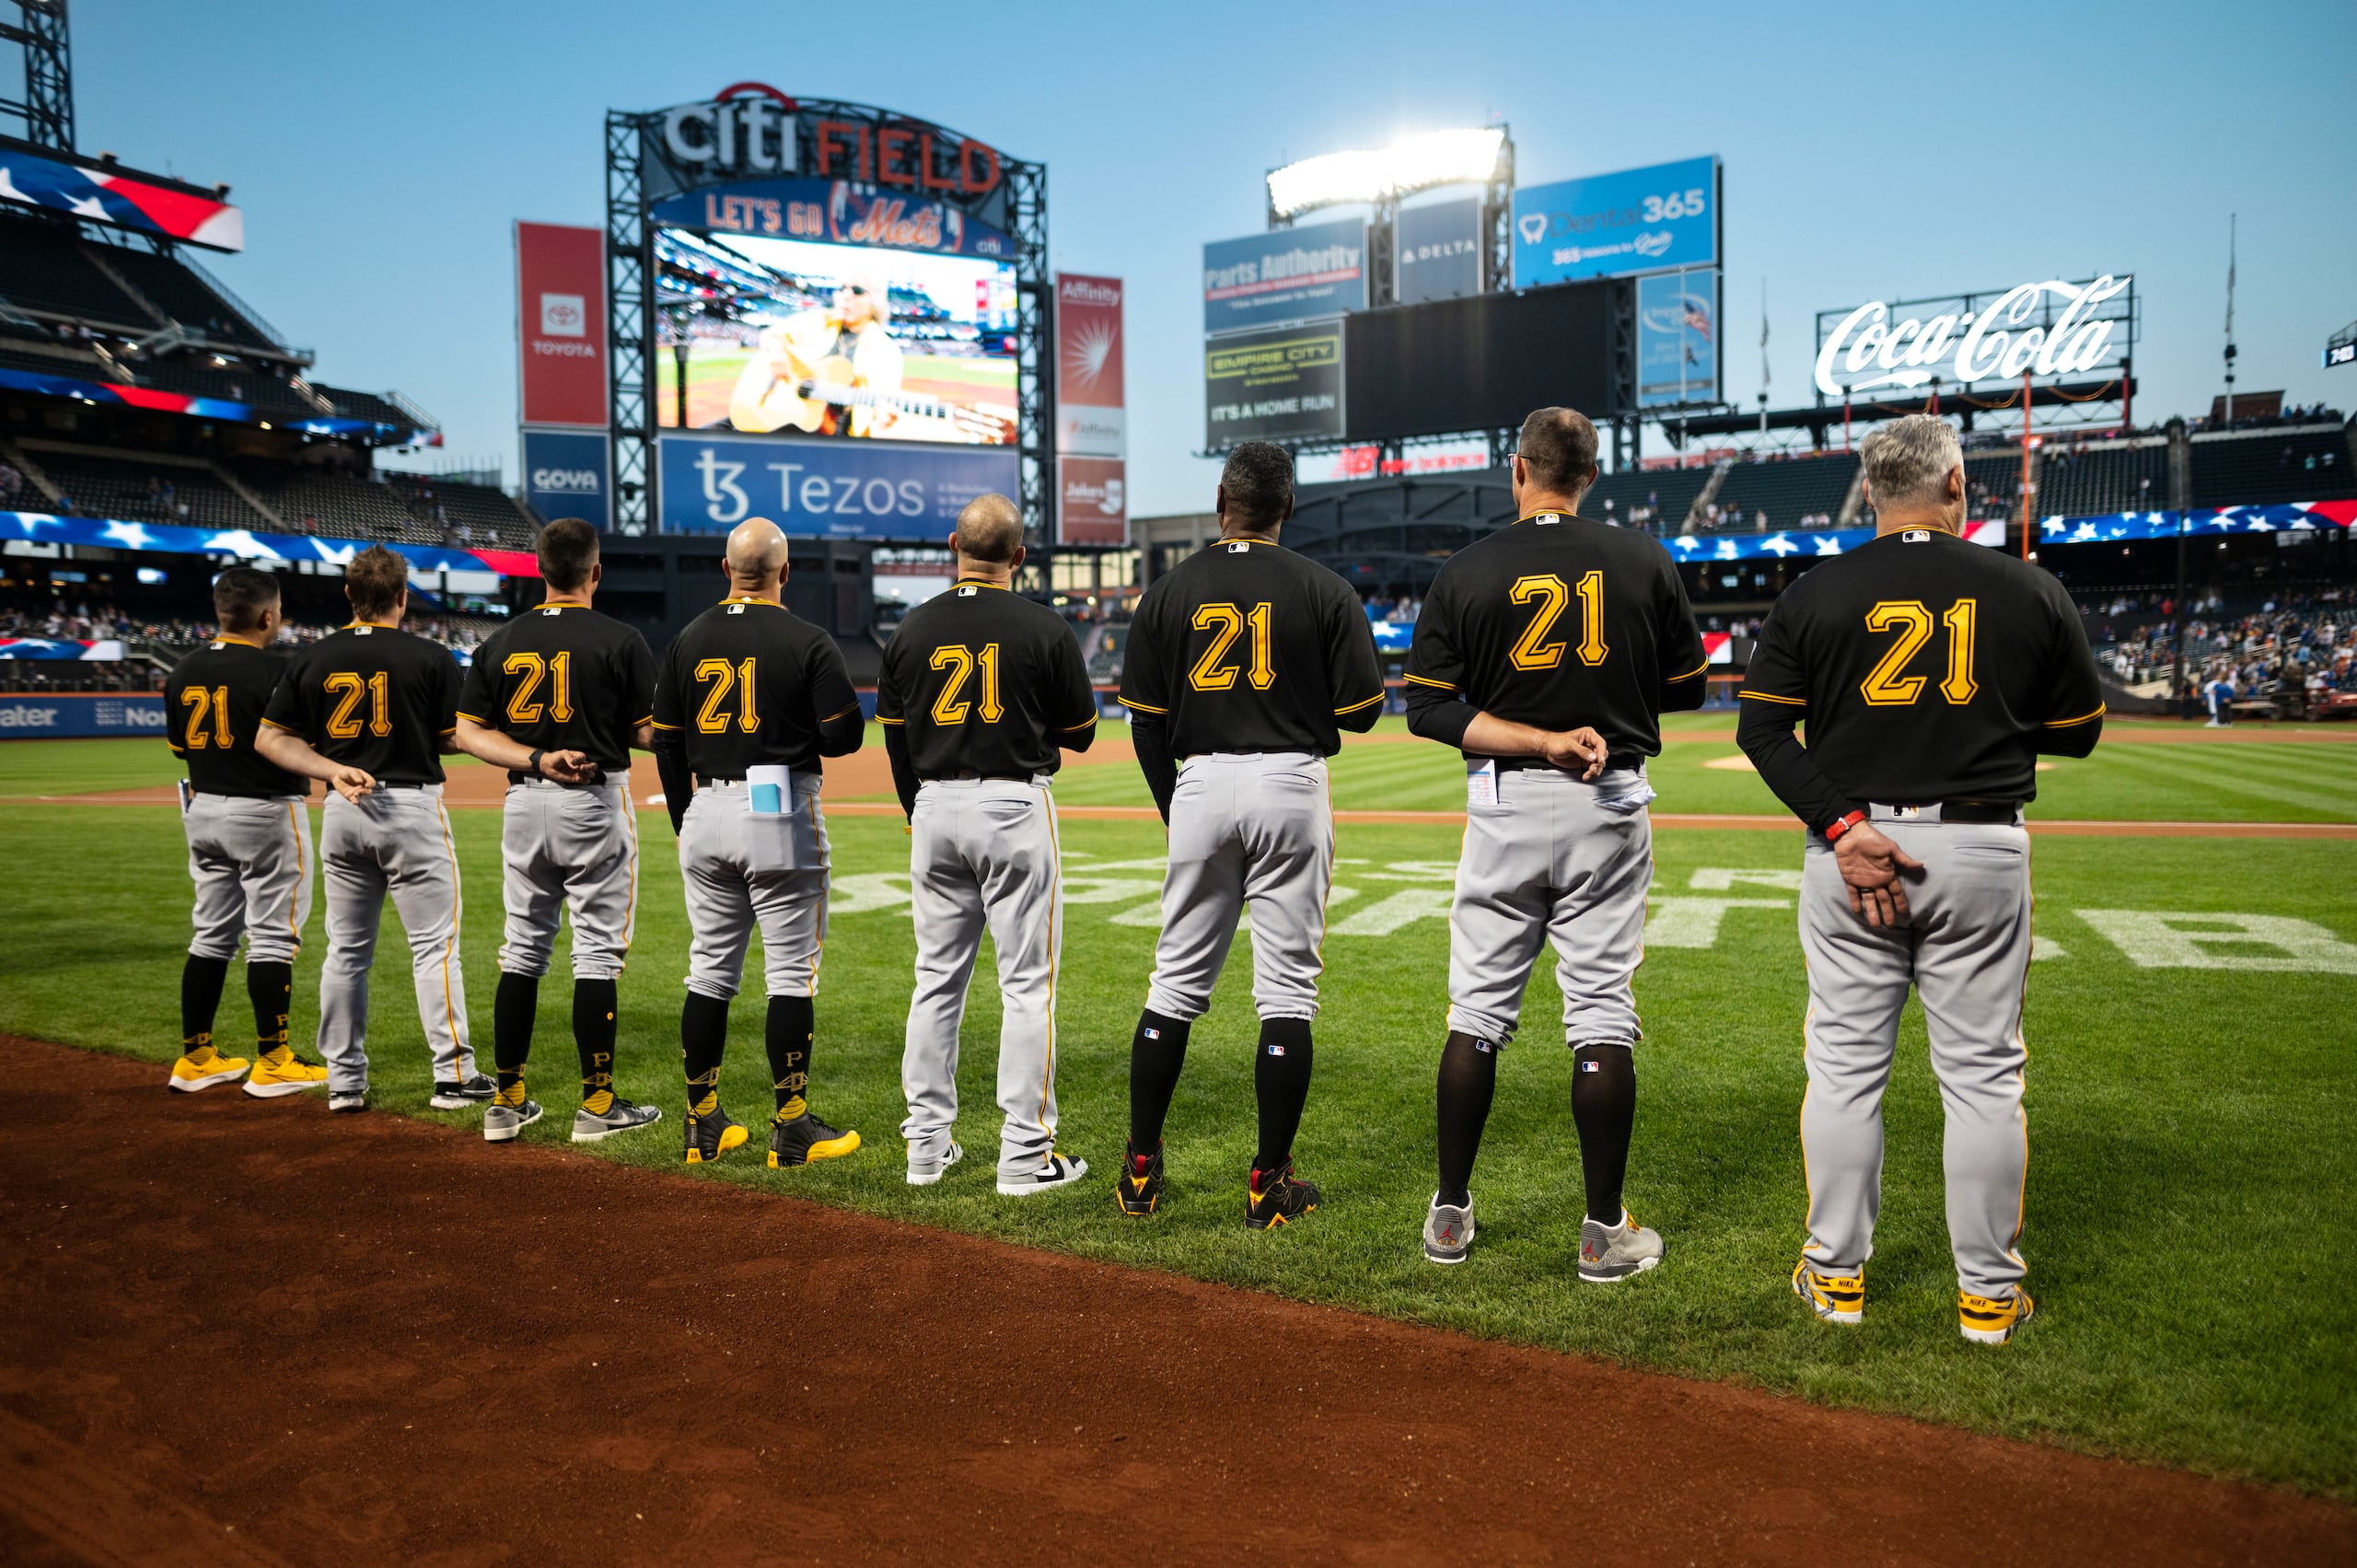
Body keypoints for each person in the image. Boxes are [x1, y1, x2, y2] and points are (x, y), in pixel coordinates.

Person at [1736, 413, 2105, 1344]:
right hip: (1979, 846)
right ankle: (1987, 1297)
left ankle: (1835, 1278)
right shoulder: (2028, 586)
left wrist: (1842, 823)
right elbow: (2080, 731)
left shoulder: (1815, 590)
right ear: (1955, 486)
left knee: (1844, 1072)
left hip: (1851, 848)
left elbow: (1761, 729)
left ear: (1869, 490)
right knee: (1983, 1078)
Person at [1402, 407, 1708, 1277]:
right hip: (1607, 797)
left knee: (1476, 1014)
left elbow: (1426, 708)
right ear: (1591, 476)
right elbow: (1688, 686)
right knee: (1601, 1010)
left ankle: (1450, 1213)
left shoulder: (1466, 568)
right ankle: (1603, 1230)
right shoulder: (1642, 558)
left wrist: (1534, 735)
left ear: (1519, 469)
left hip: (1503, 800)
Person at [1113, 442, 1385, 1228]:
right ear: (1288, 506)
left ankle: (1140, 1169)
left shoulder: (1168, 591)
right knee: (1287, 992)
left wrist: (1178, 809)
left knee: (1173, 984)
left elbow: (1145, 723)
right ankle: (1269, 1182)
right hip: (1291, 781)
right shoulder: (1324, 588)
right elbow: (1364, 710)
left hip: (1199, 781)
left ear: (1221, 500)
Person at [877, 494, 1100, 1194]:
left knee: (936, 980)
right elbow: (1083, 732)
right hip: (1011, 802)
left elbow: (894, 736)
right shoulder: (1044, 626)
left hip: (933, 803)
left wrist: (918, 808)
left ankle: (925, 1149)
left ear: (954, 546)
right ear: (1019, 556)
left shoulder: (911, 627)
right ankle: (1025, 1157)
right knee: (1026, 986)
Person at [649, 517, 866, 1167]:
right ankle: (792, 1126)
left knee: (709, 970)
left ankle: (702, 1122)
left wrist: (686, 816)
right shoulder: (807, 638)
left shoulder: (687, 639)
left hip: (704, 809)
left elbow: (666, 743)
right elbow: (845, 736)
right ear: (785, 572)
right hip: (776, 804)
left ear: (726, 569)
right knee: (790, 973)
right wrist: (790, 724)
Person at [256, 545, 491, 1115]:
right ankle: (453, 1076)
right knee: (433, 947)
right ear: (403, 597)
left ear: (349, 595)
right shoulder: (430, 656)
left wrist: (331, 768)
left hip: (343, 807)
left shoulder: (313, 657)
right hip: (409, 807)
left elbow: (270, 739)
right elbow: (453, 736)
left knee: (346, 950)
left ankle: (344, 1080)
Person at [452, 517, 665, 1145]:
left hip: (525, 797)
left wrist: (538, 757)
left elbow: (467, 732)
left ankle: (507, 1100)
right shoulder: (621, 638)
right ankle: (597, 1104)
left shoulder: (500, 641)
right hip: (593, 800)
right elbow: (647, 731)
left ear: (541, 570)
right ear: (595, 572)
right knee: (595, 952)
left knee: (522, 949)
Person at [163, 566, 361, 1098]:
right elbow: (305, 742)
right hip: (265, 810)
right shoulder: (277, 668)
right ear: (268, 616)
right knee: (272, 936)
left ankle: (196, 1056)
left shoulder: (183, 669)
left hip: (203, 808)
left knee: (210, 935)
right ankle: (273, 1061)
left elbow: (181, 749)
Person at [728, 267, 904, 438]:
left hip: (834, 432)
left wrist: (883, 417)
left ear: (876, 301)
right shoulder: (818, 319)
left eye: (857, 291)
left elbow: (886, 403)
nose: (846, 295)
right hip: (783, 413)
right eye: (843, 289)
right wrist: (777, 352)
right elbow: (770, 335)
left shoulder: (888, 351)